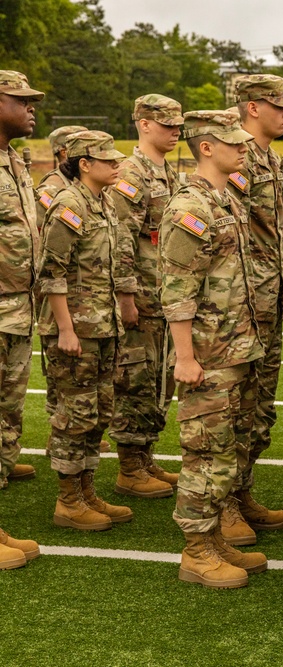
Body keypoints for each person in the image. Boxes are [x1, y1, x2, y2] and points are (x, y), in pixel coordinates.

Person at [159, 109, 267, 589]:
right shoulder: (192, 207)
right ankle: (197, 550)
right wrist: (184, 357)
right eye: (234, 143)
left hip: (234, 347)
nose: (244, 149)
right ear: (206, 147)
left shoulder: (226, 199)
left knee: (225, 450)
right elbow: (178, 288)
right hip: (207, 354)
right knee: (205, 451)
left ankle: (214, 539)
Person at [38, 130, 134, 531]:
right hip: (76, 329)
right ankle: (68, 500)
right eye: (108, 160)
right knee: (74, 414)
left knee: (99, 412)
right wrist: (65, 329)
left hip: (102, 326)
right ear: (84, 165)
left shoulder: (104, 203)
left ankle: (87, 489)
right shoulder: (69, 205)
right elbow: (51, 272)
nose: (117, 165)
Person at [226, 74, 283, 542]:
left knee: (259, 407)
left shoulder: (270, 157)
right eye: (279, 105)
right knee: (233, 407)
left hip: (268, 300)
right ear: (253, 107)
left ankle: (242, 488)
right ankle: (223, 502)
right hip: (240, 304)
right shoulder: (235, 157)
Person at [107, 94, 184, 499]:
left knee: (158, 380)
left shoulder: (166, 172)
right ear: (143, 124)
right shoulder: (132, 174)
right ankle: (129, 465)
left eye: (177, 125)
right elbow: (118, 237)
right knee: (136, 376)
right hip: (140, 297)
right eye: (165, 124)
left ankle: (146, 454)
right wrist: (125, 296)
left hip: (163, 297)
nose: (174, 131)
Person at [0, 70, 44, 568]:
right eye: (20, 100)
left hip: (14, 310)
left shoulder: (13, 160)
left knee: (6, 418)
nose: (31, 107)